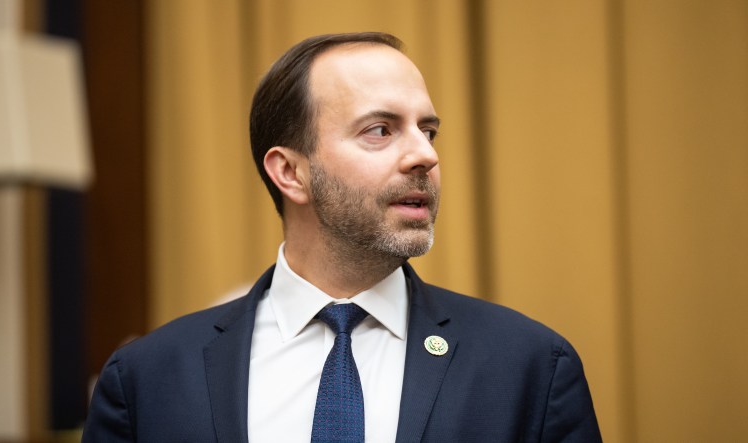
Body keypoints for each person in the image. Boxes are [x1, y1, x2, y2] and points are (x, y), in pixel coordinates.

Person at [83, 32, 602, 442]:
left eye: (428, 130)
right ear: (290, 173)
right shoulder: (146, 380)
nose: (425, 155)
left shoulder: (530, 367)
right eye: (380, 130)